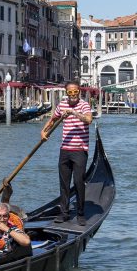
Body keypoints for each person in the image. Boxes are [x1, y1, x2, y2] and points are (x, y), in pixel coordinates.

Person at [41, 81, 93, 224]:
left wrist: (74, 113)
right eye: (70, 92)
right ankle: (64, 213)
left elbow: (88, 119)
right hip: (65, 150)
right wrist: (44, 131)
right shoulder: (62, 105)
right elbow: (53, 119)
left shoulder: (84, 105)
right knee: (64, 183)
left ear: (79, 92)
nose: (72, 95)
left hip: (80, 151)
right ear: (66, 93)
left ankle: (81, 214)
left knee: (78, 182)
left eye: (75, 92)